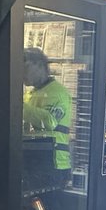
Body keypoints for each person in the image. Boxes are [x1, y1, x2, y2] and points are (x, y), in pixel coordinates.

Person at [22, 47, 73, 182]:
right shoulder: (31, 95)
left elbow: (49, 122)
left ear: (39, 65)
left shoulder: (58, 92)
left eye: (25, 68)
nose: (21, 73)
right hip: (34, 161)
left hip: (55, 164)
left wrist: (18, 107)